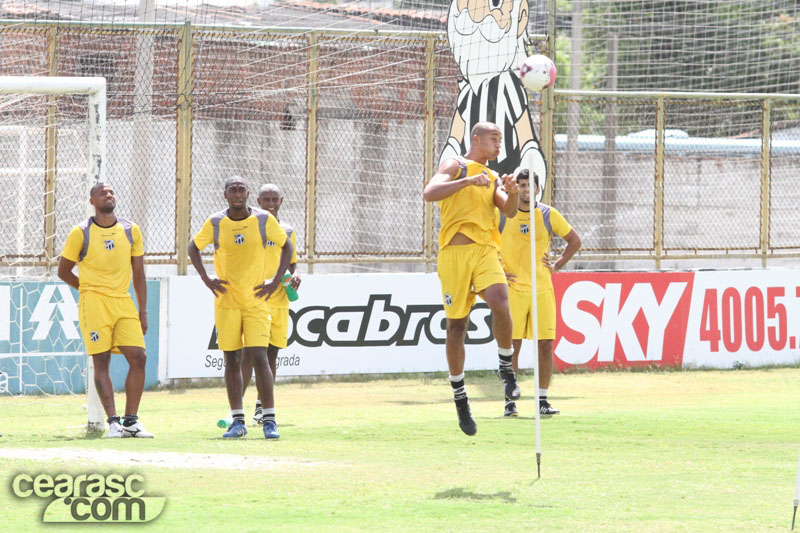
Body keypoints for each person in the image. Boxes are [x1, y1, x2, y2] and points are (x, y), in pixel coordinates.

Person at [423, 121, 520, 436]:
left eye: (501, 140)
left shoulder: (492, 177)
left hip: (485, 250)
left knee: (500, 301)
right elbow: (429, 192)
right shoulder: (457, 164)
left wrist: (515, 193)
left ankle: (506, 367)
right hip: (453, 255)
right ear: (476, 139)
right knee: (456, 327)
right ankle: (460, 397)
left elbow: (510, 211)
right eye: (494, 138)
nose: (499, 144)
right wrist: (467, 181)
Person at [188, 176, 294, 439]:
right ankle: (238, 421)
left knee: (259, 355)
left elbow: (287, 246)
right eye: (232, 190)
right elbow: (193, 247)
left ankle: (269, 419)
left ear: (248, 195)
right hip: (227, 302)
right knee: (231, 359)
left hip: (257, 301)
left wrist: (275, 280)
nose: (237, 194)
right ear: (225, 195)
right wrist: (206, 277)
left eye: (241, 190)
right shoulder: (215, 222)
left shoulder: (262, 220)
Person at [58, 182, 153, 438]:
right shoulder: (81, 232)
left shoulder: (131, 230)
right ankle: (113, 423)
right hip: (95, 304)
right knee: (101, 361)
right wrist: (87, 288)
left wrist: (143, 310)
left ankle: (131, 421)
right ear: (92, 201)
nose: (108, 195)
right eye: (102, 193)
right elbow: (63, 270)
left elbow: (139, 272)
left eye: (111, 191)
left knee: (139, 356)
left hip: (123, 302)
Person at [499, 169, 581, 417]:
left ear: (537, 189)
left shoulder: (547, 214)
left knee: (545, 345)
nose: (525, 189)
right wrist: (499, 271)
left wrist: (556, 265)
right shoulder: (504, 214)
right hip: (513, 289)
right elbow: (487, 242)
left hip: (542, 289)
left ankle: (542, 400)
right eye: (521, 185)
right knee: (512, 346)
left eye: (529, 185)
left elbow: (574, 241)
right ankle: (509, 402)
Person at [240, 183, 301, 424]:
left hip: (279, 300)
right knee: (248, 355)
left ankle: (261, 408)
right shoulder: (251, 228)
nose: (270, 204)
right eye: (265, 200)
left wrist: (296, 275)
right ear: (257, 201)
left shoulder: (287, 231)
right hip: (255, 300)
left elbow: (292, 263)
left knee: (272, 355)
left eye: (274, 199)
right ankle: (236, 411)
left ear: (281, 201)